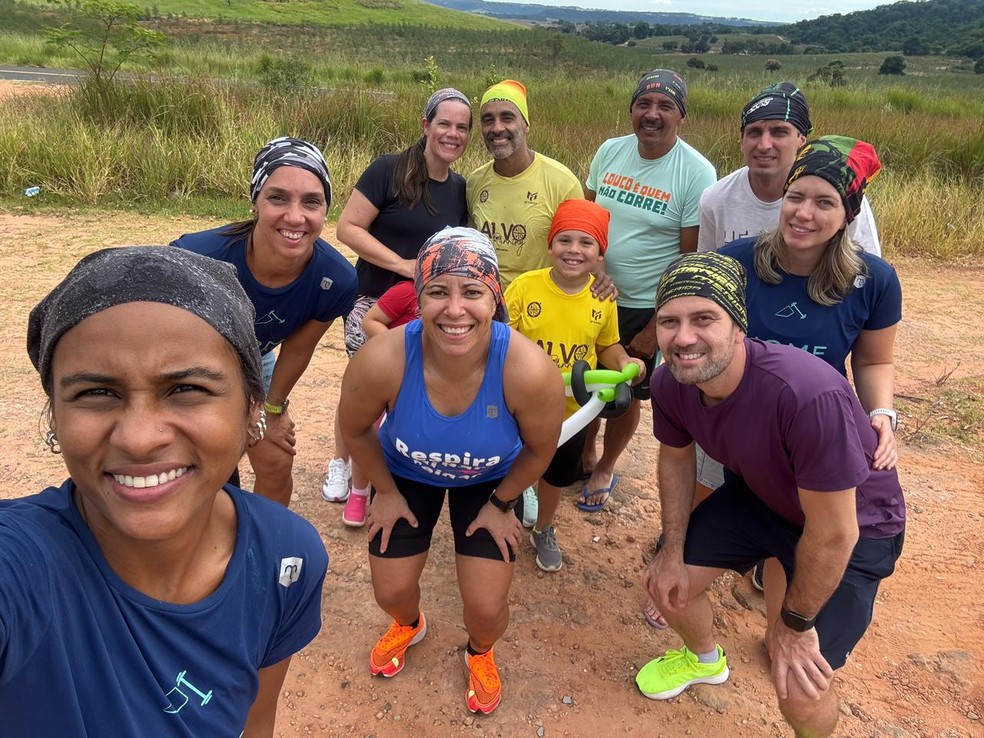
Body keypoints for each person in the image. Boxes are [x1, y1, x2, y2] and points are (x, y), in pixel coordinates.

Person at [4, 247, 328, 737]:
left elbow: (255, 722)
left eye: (186, 389)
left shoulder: (287, 557)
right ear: (56, 416)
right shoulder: (21, 565)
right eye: (97, 393)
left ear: (250, 408)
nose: (138, 438)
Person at [638, 251, 905, 738]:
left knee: (798, 684)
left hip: (856, 526)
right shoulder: (670, 381)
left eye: (704, 319)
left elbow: (834, 532)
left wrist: (795, 624)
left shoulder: (804, 393)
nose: (683, 338)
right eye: (668, 322)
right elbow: (675, 459)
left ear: (739, 325)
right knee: (666, 584)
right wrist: (671, 549)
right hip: (763, 499)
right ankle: (703, 660)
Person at [643, 135, 901, 629]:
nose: (804, 213)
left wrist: (881, 414)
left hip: (811, 421)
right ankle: (695, 558)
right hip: (740, 419)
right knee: (722, 486)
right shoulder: (738, 260)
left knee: (809, 534)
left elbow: (872, 363)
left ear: (848, 214)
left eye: (824, 202)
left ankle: (782, 604)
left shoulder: (874, 280)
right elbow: (692, 320)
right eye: (796, 196)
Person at [338, 227, 563, 715]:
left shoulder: (527, 369)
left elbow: (541, 450)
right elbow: (354, 430)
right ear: (417, 298)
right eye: (438, 291)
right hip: (406, 475)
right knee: (391, 590)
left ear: (495, 298)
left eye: (472, 291)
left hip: (487, 483)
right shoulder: (385, 357)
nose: (455, 309)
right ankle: (408, 624)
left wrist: (504, 504)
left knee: (485, 609)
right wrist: (386, 492)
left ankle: (480, 652)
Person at [171, 137, 357, 507]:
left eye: (311, 202)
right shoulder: (196, 258)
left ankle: (263, 547)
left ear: (326, 211)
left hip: (258, 356)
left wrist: (271, 409)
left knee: (275, 459)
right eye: (277, 198)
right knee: (207, 457)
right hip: (190, 360)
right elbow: (170, 346)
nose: (295, 216)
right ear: (255, 201)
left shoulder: (336, 279)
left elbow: (299, 347)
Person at [322, 88, 472, 506]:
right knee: (363, 385)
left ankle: (388, 466)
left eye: (462, 127)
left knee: (410, 390)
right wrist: (404, 265)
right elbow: (348, 228)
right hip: (371, 300)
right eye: (444, 123)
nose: (452, 133)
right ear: (426, 125)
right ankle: (341, 461)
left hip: (424, 309)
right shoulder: (388, 169)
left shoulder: (459, 188)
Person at [581, 69, 716, 509]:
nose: (652, 115)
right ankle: (584, 449)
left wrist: (658, 323)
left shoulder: (696, 172)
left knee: (627, 392)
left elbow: (688, 260)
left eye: (665, 107)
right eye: (644, 104)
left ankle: (606, 465)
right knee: (583, 378)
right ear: (632, 110)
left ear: (681, 116)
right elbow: (587, 217)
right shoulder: (609, 151)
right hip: (593, 293)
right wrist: (594, 265)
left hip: (645, 305)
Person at [505, 199, 646, 571]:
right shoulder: (524, 287)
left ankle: (545, 528)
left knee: (557, 474)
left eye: (586, 243)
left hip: (570, 413)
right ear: (550, 246)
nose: (574, 250)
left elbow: (607, 345)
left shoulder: (603, 299)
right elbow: (501, 340)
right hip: (518, 406)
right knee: (511, 465)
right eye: (564, 240)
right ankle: (503, 513)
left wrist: (626, 362)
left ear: (600, 255)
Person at [698, 82, 881, 256]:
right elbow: (705, 269)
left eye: (779, 132)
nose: (764, 145)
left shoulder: (839, 196)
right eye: (754, 132)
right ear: (741, 140)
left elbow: (866, 269)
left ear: (802, 139)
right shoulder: (715, 199)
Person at [466, 79, 585, 290]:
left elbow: (581, 253)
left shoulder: (562, 183)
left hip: (539, 308)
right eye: (488, 120)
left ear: (525, 124)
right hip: (486, 306)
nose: (497, 128)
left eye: (507, 118)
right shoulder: (475, 182)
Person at [339, 279, 420, 528]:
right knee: (370, 431)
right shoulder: (407, 290)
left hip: (430, 381)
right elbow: (370, 320)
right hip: (393, 373)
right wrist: (403, 349)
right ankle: (360, 492)